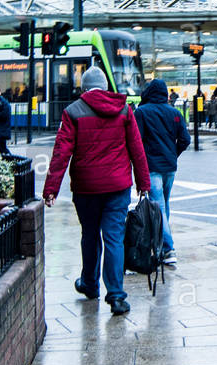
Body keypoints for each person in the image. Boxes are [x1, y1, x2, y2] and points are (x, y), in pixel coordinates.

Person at [43, 67, 150, 315]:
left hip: (86, 187)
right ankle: (116, 296)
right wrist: (143, 183)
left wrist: (51, 188)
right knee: (113, 237)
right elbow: (137, 149)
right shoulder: (124, 110)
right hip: (117, 186)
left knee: (90, 235)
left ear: (84, 87)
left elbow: (61, 153)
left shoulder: (72, 112)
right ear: (105, 85)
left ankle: (90, 284)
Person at [133, 78, 190, 267]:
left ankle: (168, 248)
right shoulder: (174, 113)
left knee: (160, 207)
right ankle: (160, 243)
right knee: (164, 204)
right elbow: (185, 139)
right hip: (169, 167)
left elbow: (137, 142)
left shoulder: (142, 112)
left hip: (152, 167)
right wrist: (174, 154)